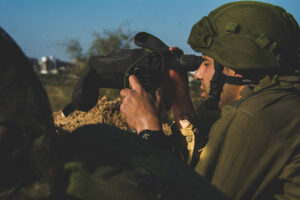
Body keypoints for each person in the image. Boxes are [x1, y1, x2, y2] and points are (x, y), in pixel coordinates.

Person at [120, 1, 300, 199]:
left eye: (206, 62)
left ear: (237, 67)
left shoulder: (258, 115)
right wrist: (179, 96)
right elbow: (202, 173)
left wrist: (147, 129)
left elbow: (192, 194)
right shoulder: (284, 101)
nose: (198, 74)